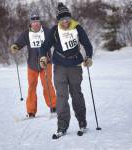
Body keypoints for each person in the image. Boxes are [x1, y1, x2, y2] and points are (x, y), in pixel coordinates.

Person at [40, 3, 93, 138]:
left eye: (67, 19)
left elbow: (87, 44)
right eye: (62, 19)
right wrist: (43, 57)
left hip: (75, 65)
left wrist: (88, 57)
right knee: (62, 97)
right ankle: (62, 125)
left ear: (70, 18)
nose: (65, 22)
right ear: (58, 20)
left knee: (76, 94)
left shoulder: (77, 28)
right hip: (60, 67)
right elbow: (44, 46)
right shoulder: (54, 31)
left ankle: (82, 122)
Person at [10, 11, 56, 118]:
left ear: (40, 23)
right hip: (32, 65)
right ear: (30, 23)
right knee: (31, 87)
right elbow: (19, 42)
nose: (35, 24)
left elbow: (55, 41)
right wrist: (15, 46)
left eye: (37, 22)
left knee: (47, 84)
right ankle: (31, 111)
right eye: (33, 22)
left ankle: (54, 106)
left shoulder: (46, 31)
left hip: (46, 62)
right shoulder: (27, 33)